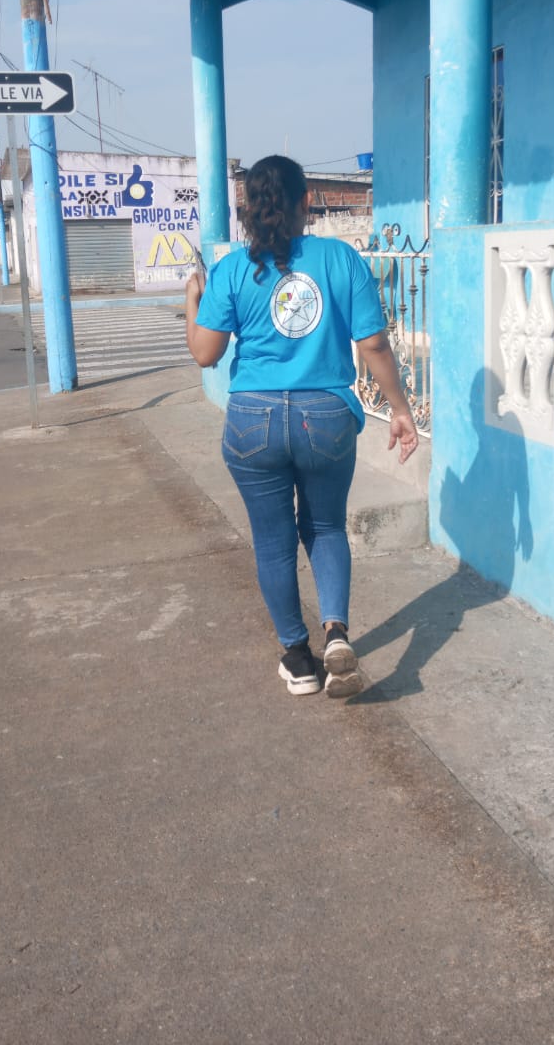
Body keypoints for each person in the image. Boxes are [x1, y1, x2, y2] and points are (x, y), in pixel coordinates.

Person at [185, 155, 419, 699]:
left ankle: (298, 658)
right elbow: (373, 344)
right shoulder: (341, 258)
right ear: (306, 201)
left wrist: (193, 300)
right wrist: (400, 409)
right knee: (327, 527)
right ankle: (335, 633)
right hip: (326, 415)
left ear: (248, 208)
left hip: (253, 419)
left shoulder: (233, 271)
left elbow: (204, 353)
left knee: (273, 543)